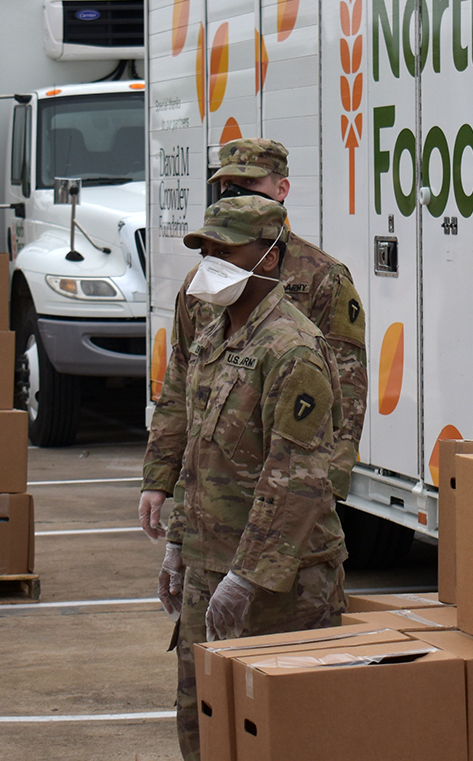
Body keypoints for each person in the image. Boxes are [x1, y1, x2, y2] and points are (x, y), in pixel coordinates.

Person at [143, 196, 346, 761]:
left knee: (281, 737)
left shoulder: (292, 348)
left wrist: (246, 578)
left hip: (279, 589)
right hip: (210, 570)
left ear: (270, 255)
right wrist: (178, 546)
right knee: (203, 725)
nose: (211, 261)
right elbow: (199, 457)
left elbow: (297, 481)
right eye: (206, 249)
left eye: (226, 250)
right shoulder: (213, 338)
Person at [139, 137, 366, 537]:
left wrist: (323, 489)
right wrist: (159, 477)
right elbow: (179, 384)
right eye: (227, 187)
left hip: (287, 488)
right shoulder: (202, 281)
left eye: (249, 187)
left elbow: (345, 396)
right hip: (212, 496)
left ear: (281, 191)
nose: (235, 196)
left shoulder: (321, 277)